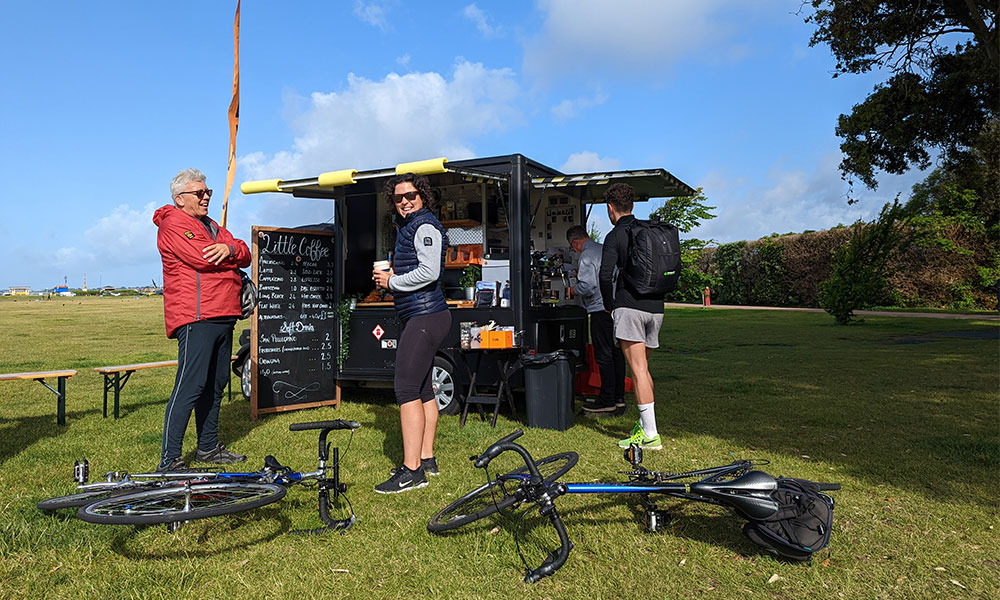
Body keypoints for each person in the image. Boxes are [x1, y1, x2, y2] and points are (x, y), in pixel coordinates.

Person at [153, 168, 251, 471]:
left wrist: (230, 249)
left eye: (207, 192)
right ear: (181, 199)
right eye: (199, 193)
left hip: (224, 313)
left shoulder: (212, 226)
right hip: (197, 314)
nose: (206, 196)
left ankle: (207, 447)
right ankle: (169, 459)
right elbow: (203, 258)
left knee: (217, 383)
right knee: (191, 384)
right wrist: (227, 257)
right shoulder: (174, 224)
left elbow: (245, 252)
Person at [372, 173, 452, 494]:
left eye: (411, 195)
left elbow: (429, 272)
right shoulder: (411, 226)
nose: (405, 201)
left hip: (425, 316)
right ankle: (426, 458)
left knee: (405, 389)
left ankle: (411, 471)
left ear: (423, 197)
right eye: (399, 197)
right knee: (422, 389)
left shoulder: (425, 226)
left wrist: (391, 282)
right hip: (424, 316)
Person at [598, 183, 664, 450]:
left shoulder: (615, 235)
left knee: (636, 370)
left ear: (610, 208)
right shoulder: (648, 230)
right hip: (656, 308)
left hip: (629, 307)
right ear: (633, 206)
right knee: (644, 369)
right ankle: (645, 426)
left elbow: (604, 276)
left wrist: (609, 306)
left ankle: (651, 434)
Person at [566, 225, 626, 416]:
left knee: (603, 354)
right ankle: (618, 398)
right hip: (615, 307)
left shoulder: (586, 256)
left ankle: (606, 400)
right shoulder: (603, 249)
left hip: (599, 309)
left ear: (575, 242)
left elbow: (588, 287)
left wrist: (572, 290)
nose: (574, 250)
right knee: (617, 352)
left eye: (572, 246)